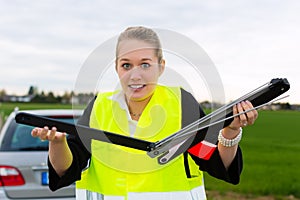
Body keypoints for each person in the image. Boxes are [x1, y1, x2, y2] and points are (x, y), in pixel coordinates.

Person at [31, 26, 258, 200]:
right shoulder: (99, 106)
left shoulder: (182, 105)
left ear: (161, 66)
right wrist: (58, 143)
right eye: (126, 65)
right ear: (116, 67)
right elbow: (67, 169)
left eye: (146, 65)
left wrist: (231, 130)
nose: (135, 75)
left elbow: (216, 161)